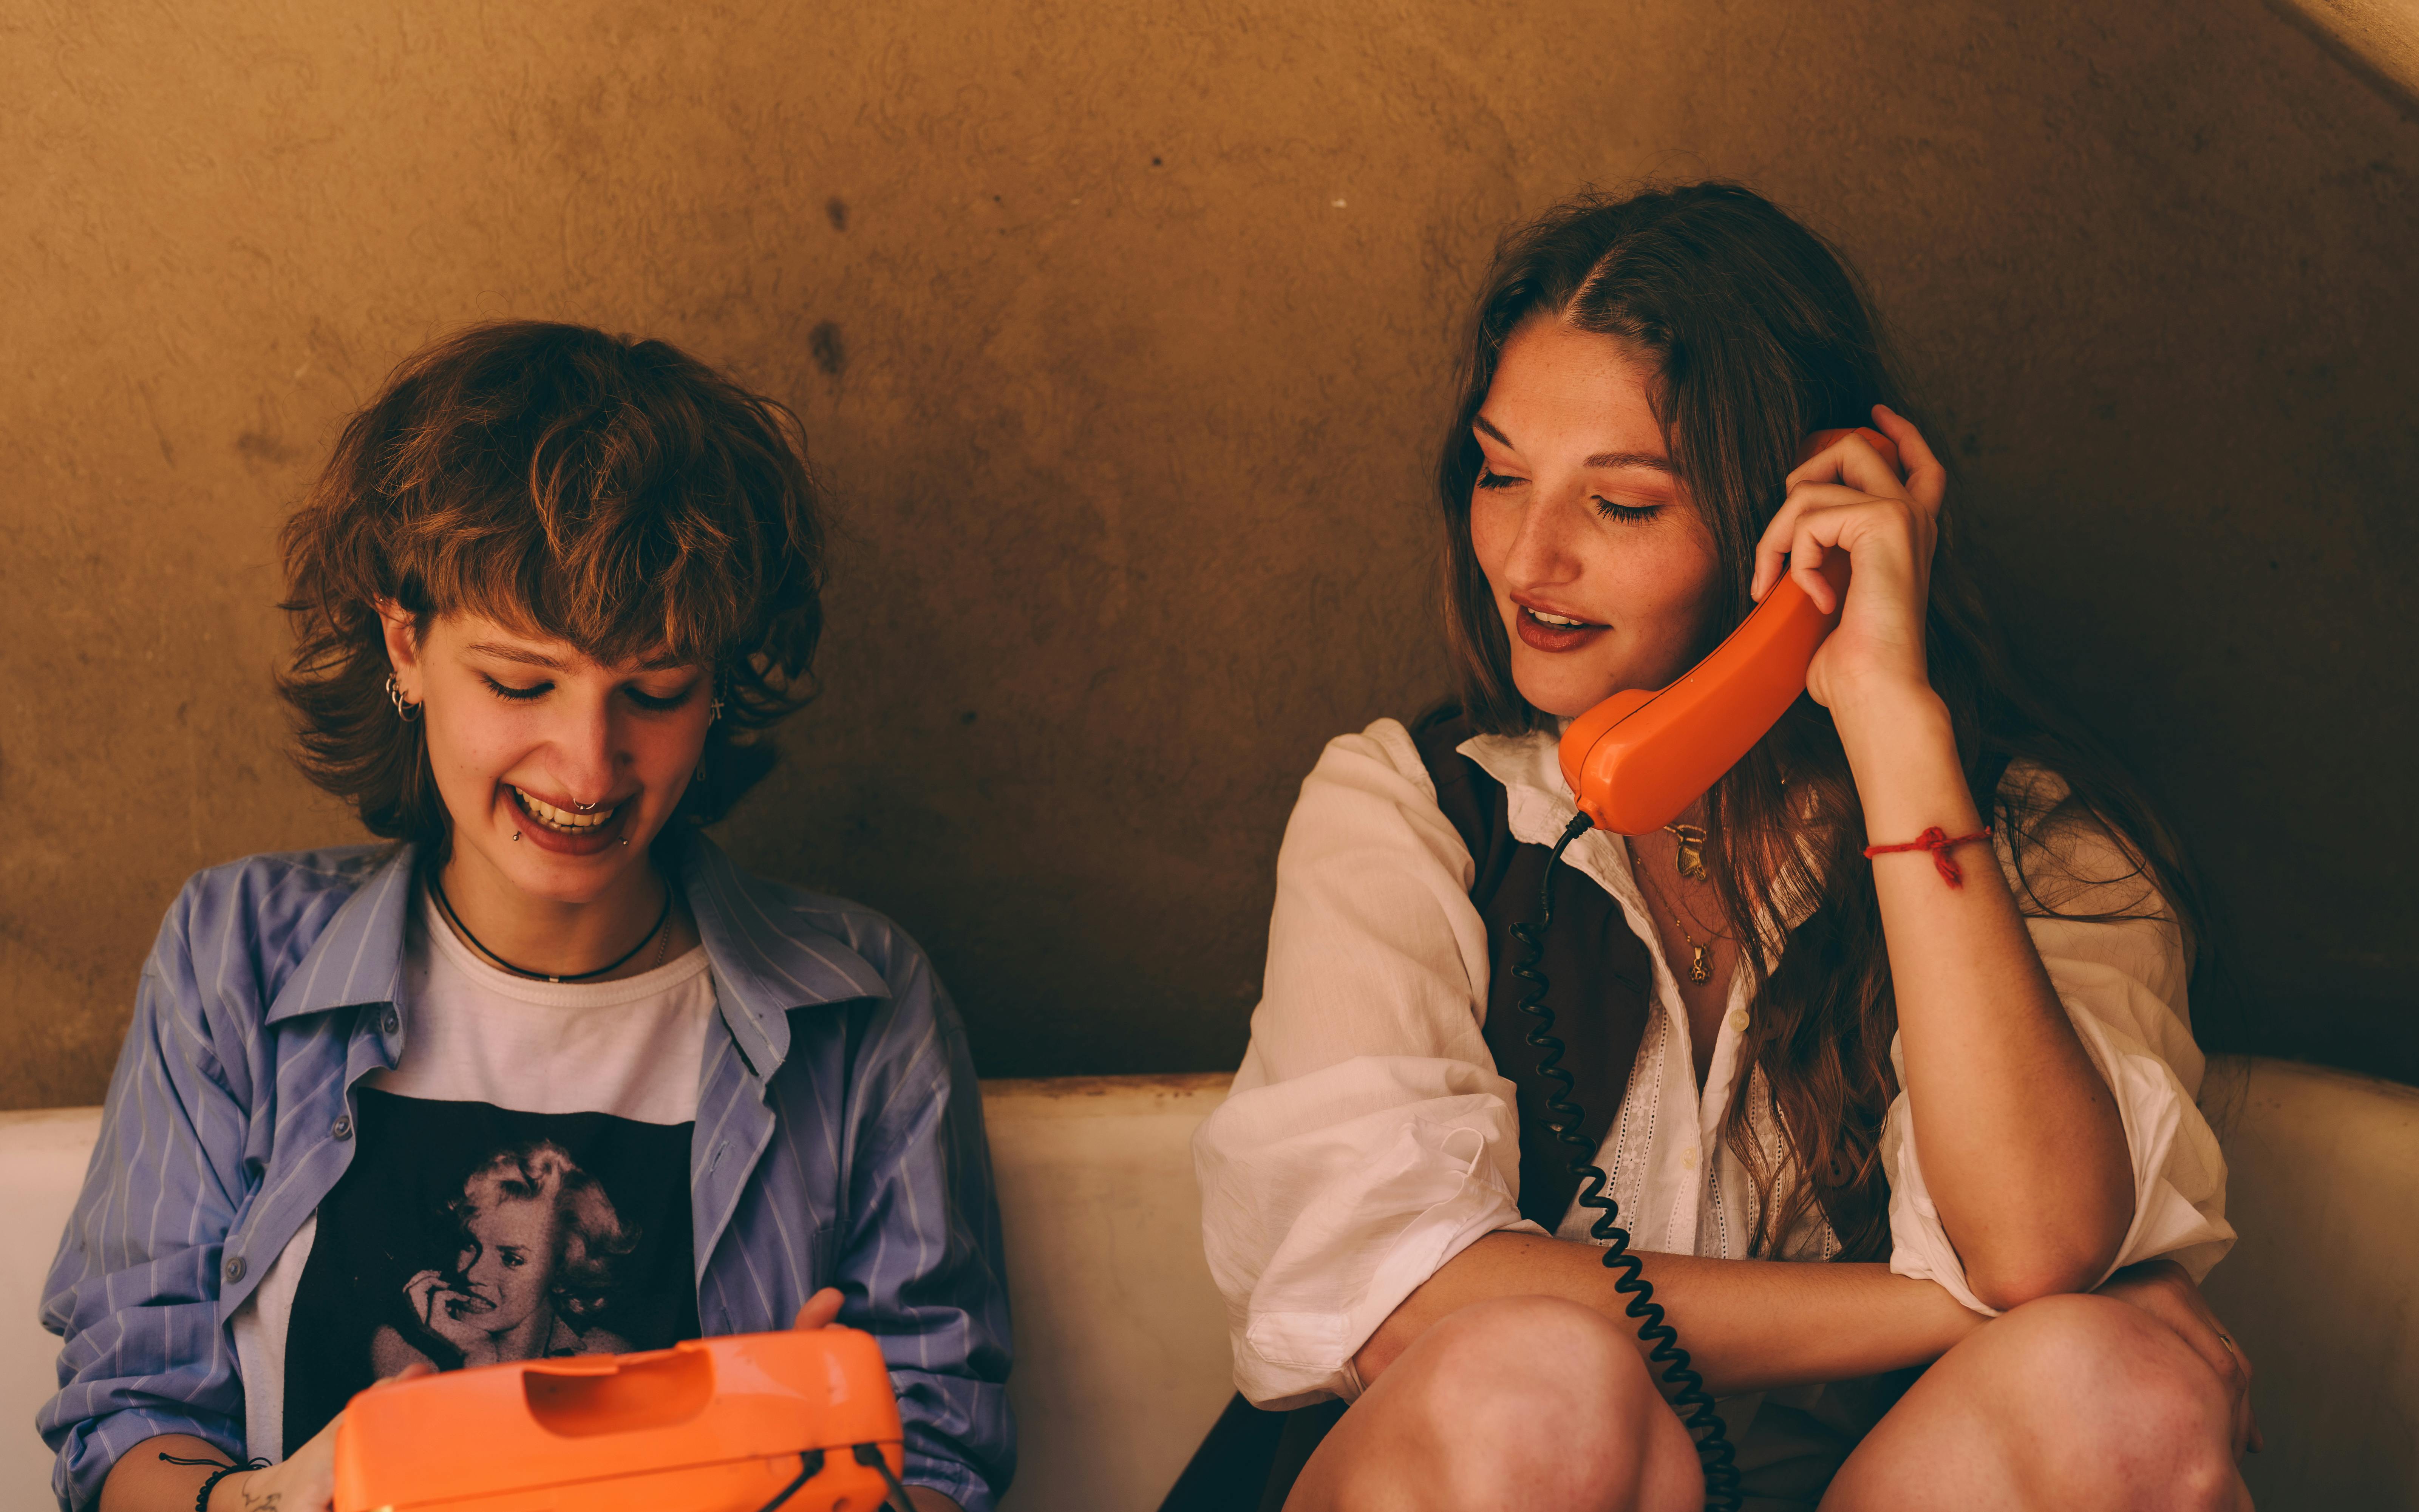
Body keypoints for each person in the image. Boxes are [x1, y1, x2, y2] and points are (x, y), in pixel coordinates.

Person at [1190, 184, 2249, 1511]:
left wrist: (1886, 715)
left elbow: (2035, 1246)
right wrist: (1935, 1308)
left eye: (1622, 505)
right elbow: (1401, 1292)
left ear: (1786, 525)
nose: (1528, 555)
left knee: (2119, 1391)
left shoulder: (2034, 846)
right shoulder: (1409, 808)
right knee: (1534, 1385)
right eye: (1501, 472)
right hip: (1511, 1471)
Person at [40, 322, 1012, 1512]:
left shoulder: (861, 1005)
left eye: (654, 692)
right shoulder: (234, 952)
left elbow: (943, 1456)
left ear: (719, 687)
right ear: (407, 641)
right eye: (521, 682)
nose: (590, 766)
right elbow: (126, 1410)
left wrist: (818, 1469)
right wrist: (265, 1505)